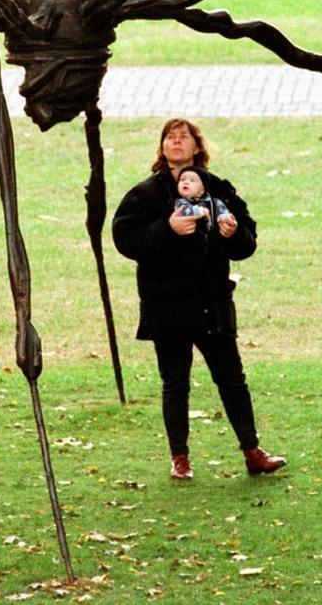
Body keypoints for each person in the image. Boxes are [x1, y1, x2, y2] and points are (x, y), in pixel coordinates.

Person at [111, 117, 285, 481]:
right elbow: (125, 239)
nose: (176, 142)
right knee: (175, 382)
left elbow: (246, 244)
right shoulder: (145, 194)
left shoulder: (219, 191)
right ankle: (180, 459)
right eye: (169, 138)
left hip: (211, 303)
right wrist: (167, 229)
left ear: (197, 149)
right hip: (167, 305)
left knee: (232, 379)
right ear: (161, 148)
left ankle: (253, 452)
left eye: (183, 137)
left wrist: (233, 233)